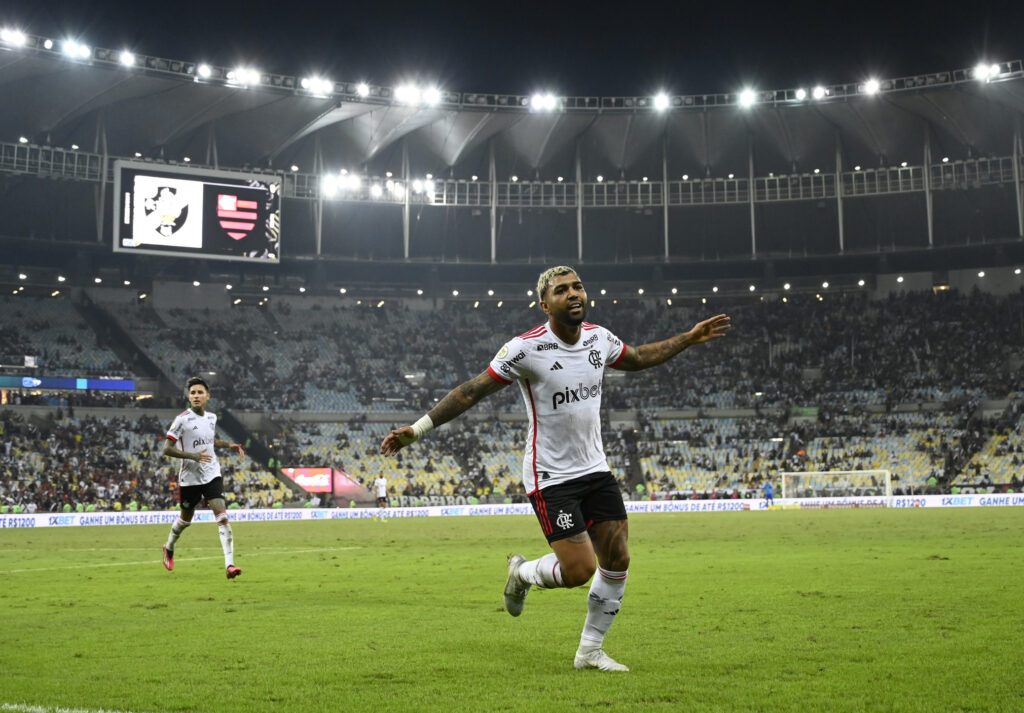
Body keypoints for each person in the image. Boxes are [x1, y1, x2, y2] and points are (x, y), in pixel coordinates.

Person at [380, 265, 730, 672]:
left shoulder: (600, 338)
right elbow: (471, 390)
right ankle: (522, 573)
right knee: (579, 570)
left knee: (618, 560)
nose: (574, 294)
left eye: (577, 286)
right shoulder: (526, 349)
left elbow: (635, 358)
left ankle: (589, 652)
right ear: (545, 304)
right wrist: (419, 429)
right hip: (550, 476)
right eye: (562, 290)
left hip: (595, 469)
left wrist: (689, 338)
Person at [160, 376, 246, 579]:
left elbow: (210, 439)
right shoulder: (182, 419)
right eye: (192, 393)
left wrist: (229, 445)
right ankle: (169, 546)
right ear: (189, 397)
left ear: (208, 396)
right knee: (185, 520)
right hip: (190, 478)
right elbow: (167, 449)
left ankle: (230, 565)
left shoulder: (211, 418)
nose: (196, 396)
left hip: (212, 473)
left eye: (200, 392)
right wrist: (193, 456)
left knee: (222, 517)